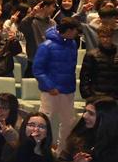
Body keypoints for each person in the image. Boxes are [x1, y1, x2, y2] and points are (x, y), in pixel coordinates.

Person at [33, 16, 82, 151]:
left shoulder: (72, 44)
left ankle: (62, 151)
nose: (77, 33)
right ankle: (38, 149)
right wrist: (50, 86)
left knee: (68, 122)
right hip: (51, 92)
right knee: (44, 120)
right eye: (75, 30)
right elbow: (38, 70)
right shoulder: (46, 46)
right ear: (69, 30)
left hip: (68, 90)